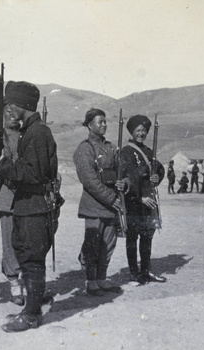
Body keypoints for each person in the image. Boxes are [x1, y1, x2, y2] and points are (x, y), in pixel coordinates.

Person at [0, 81, 58, 332]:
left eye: (10, 103)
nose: (8, 108)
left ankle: (31, 315)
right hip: (30, 206)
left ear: (21, 105)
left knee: (32, 261)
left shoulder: (37, 133)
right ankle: (31, 309)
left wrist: (2, 166)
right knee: (28, 258)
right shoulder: (33, 131)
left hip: (34, 207)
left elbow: (33, 174)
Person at [73, 108, 124, 296]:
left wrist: (122, 183)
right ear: (89, 125)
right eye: (99, 122)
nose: (104, 125)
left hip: (111, 205)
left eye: (105, 121)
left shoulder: (111, 147)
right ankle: (91, 280)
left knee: (108, 244)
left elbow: (121, 173)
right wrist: (111, 198)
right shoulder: (85, 149)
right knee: (93, 244)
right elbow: (89, 180)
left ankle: (102, 278)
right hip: (95, 205)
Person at [120, 114, 166, 284]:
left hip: (149, 202)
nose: (141, 133)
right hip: (134, 202)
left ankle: (146, 271)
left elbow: (159, 169)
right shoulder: (126, 151)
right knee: (133, 238)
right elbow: (130, 177)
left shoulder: (148, 151)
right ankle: (134, 273)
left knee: (147, 237)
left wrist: (156, 177)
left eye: (144, 131)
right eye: (138, 130)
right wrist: (140, 197)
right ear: (132, 132)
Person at [0, 106, 24, 305]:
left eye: (15, 112)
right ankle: (14, 284)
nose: (12, 116)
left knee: (27, 241)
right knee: (10, 242)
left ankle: (27, 281)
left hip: (28, 197)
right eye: (7, 113)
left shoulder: (27, 134)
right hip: (8, 197)